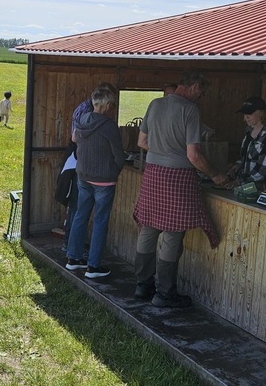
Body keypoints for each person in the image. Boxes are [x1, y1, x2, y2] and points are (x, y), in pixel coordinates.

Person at [132, 71, 229, 308]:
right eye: (202, 92)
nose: (202, 97)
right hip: (177, 176)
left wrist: (162, 151)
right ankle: (164, 294)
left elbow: (141, 142)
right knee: (172, 233)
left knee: (149, 228)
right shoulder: (190, 110)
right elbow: (193, 155)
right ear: (194, 86)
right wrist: (216, 174)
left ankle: (142, 285)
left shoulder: (155, 104)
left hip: (153, 173)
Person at [64, 86, 125, 279]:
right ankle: (93, 266)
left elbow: (75, 140)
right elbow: (119, 155)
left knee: (81, 216)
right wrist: (114, 171)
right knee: (100, 221)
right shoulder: (109, 126)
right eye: (112, 104)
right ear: (106, 104)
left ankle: (72, 259)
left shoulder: (82, 120)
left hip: (83, 175)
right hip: (104, 180)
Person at [228, 97, 266, 189]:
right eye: (244, 114)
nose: (246, 117)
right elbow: (244, 155)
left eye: (249, 113)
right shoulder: (248, 131)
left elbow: (261, 172)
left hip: (259, 188)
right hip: (244, 185)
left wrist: (239, 182)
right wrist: (238, 164)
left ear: (260, 114)